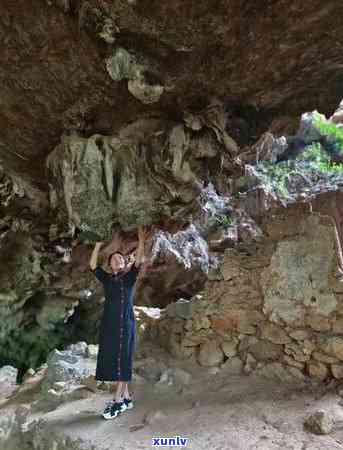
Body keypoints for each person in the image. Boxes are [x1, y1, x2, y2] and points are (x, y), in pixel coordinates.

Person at [89, 225, 149, 419]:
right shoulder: (107, 280)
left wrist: (141, 241)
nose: (117, 259)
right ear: (111, 264)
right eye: (114, 258)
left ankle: (117, 402)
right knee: (113, 357)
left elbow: (138, 261)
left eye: (121, 258)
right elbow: (93, 266)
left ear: (124, 264)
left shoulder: (129, 278)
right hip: (110, 324)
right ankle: (126, 398)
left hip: (125, 323)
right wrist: (98, 246)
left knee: (122, 360)